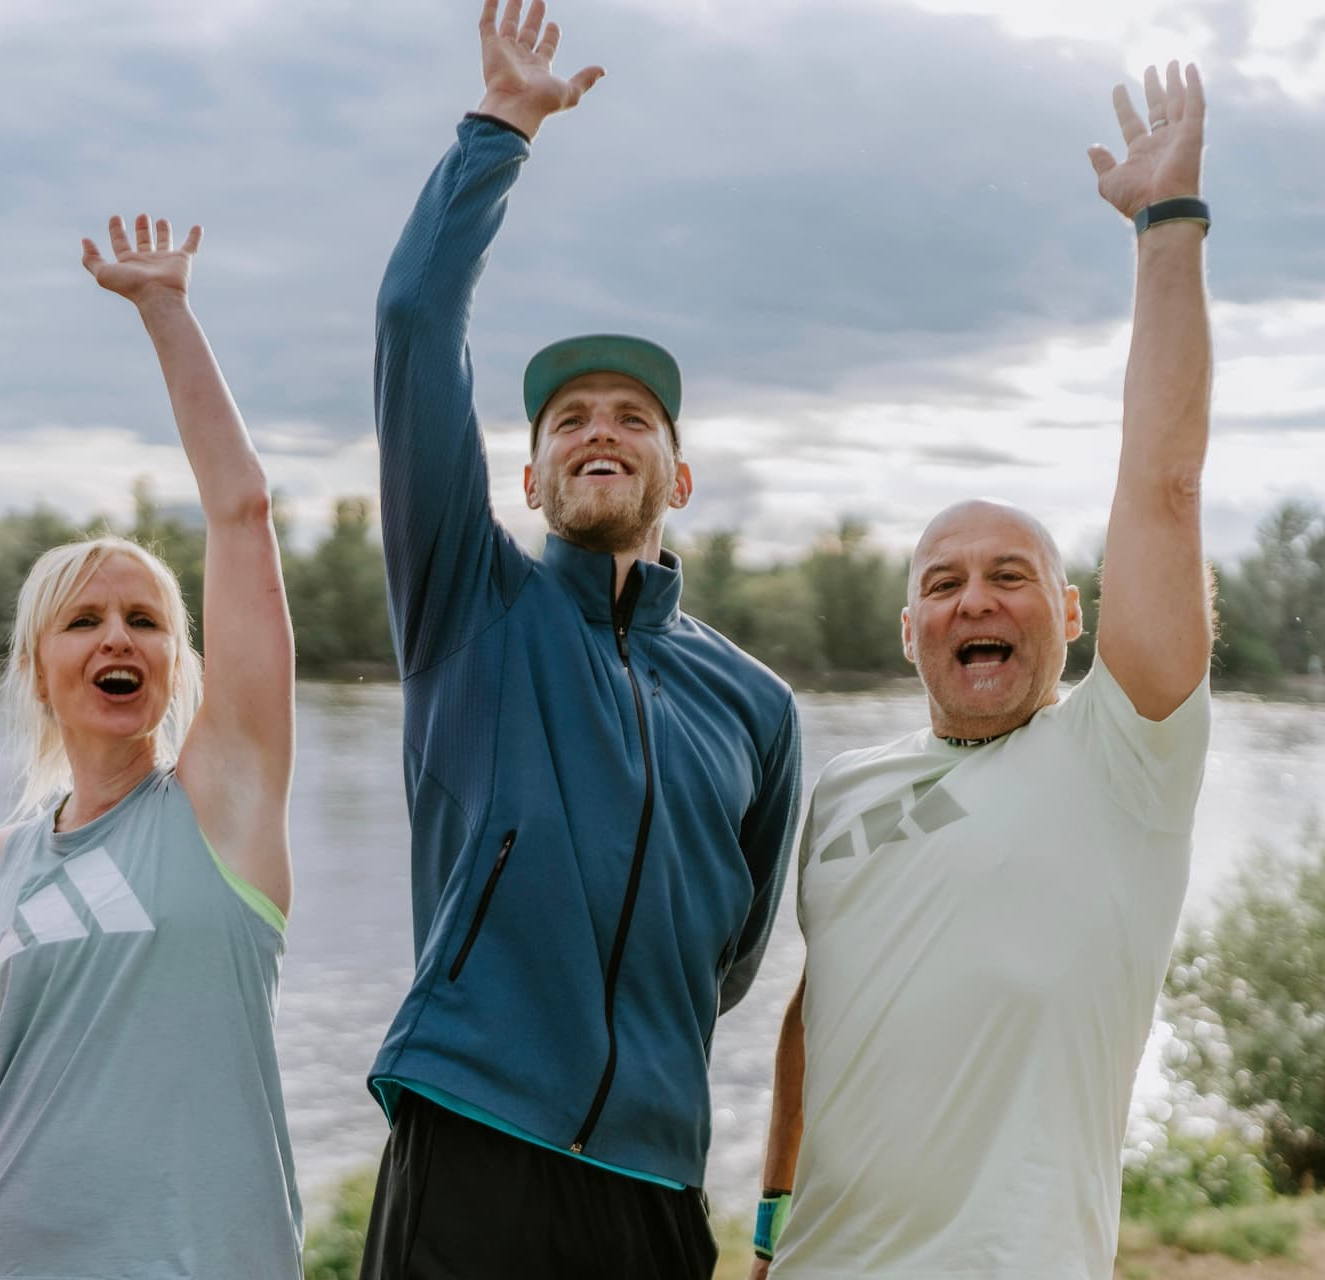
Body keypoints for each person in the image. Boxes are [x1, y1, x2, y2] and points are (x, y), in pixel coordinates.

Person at [750, 62, 1216, 1280]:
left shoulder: (1126, 758)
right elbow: (817, 1011)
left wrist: (1167, 228)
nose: (975, 597)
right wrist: (764, 1221)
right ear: (910, 632)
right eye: (942, 581)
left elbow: (1162, 486)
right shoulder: (843, 791)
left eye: (1009, 573)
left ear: (1069, 612)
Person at [362, 3, 804, 1275]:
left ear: (680, 474)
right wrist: (498, 128)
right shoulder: (468, 606)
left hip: (656, 1182)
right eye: (567, 419)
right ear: (532, 474)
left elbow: (729, 953)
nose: (598, 429)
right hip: (474, 1136)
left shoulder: (757, 704)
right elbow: (410, 327)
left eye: (630, 415)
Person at [0, 214, 301, 1279]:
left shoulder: (221, 808)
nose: (116, 636)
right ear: (36, 665)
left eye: (144, 619)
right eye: (84, 619)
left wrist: (166, 312)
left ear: (177, 663)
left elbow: (242, 515)